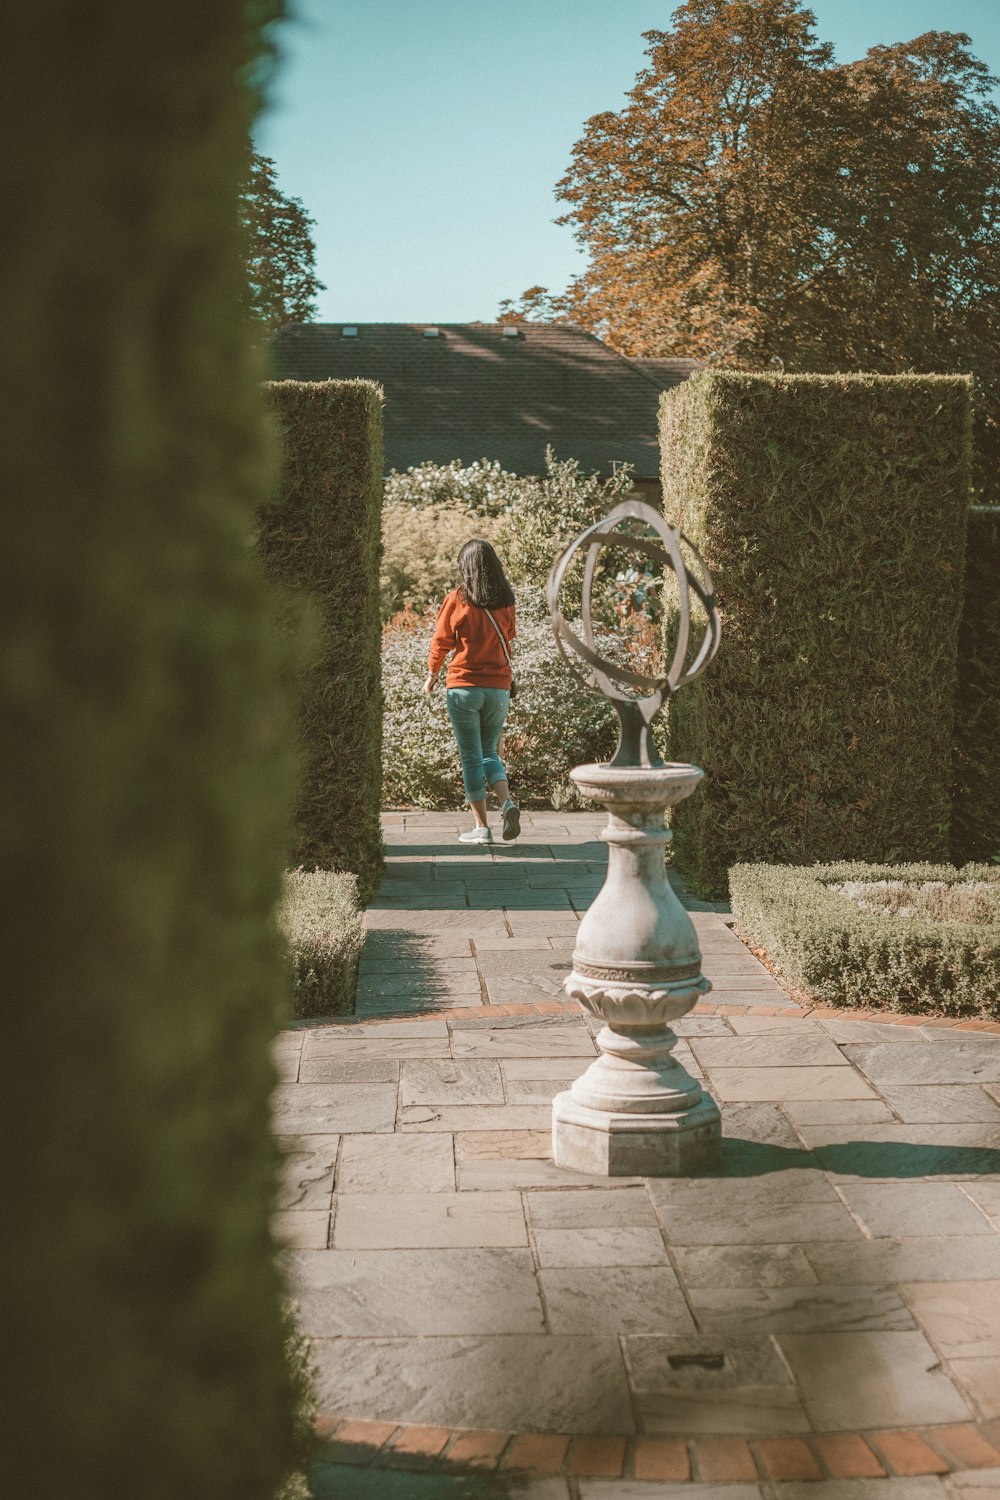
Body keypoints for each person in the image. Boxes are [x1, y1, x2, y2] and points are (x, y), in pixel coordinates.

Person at [424, 539, 521, 845]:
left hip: (464, 688)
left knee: (470, 757)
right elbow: (510, 637)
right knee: (489, 752)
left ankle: (482, 828)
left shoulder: (457, 600)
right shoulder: (506, 602)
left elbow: (441, 641)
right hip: (499, 689)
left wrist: (432, 674)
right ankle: (507, 803)